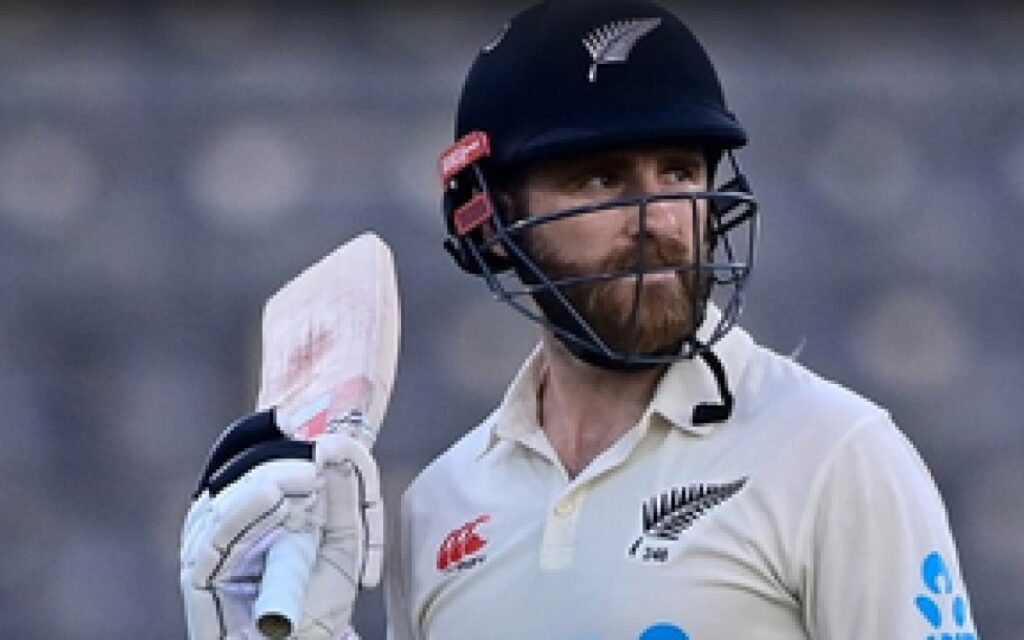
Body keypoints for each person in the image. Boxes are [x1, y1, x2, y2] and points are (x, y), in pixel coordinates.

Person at [180, 1, 978, 639]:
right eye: (599, 179)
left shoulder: (834, 454)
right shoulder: (438, 508)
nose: (657, 218)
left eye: (679, 171)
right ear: (492, 221)